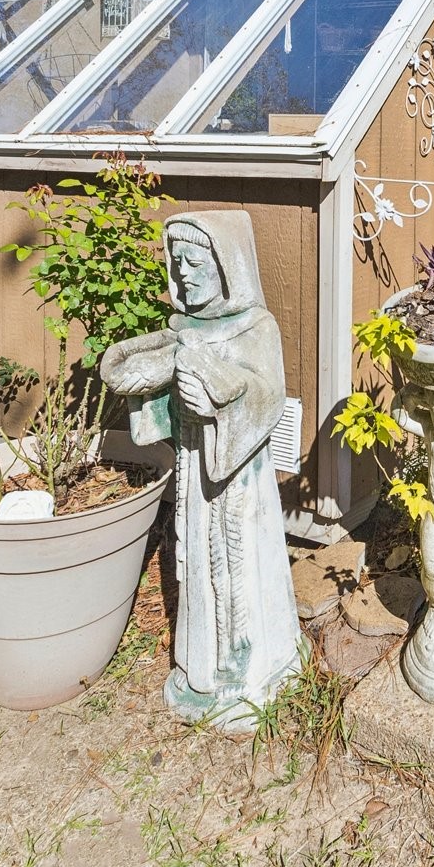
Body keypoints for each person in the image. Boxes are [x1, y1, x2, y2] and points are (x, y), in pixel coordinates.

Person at [100, 210, 300, 729]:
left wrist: (220, 398)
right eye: (176, 260)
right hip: (196, 469)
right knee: (194, 561)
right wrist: (159, 380)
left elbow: (268, 396)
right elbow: (142, 370)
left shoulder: (257, 327)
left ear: (227, 264)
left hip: (239, 476)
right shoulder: (183, 328)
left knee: (237, 568)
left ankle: (251, 669)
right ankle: (202, 669)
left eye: (196, 260)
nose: (183, 271)